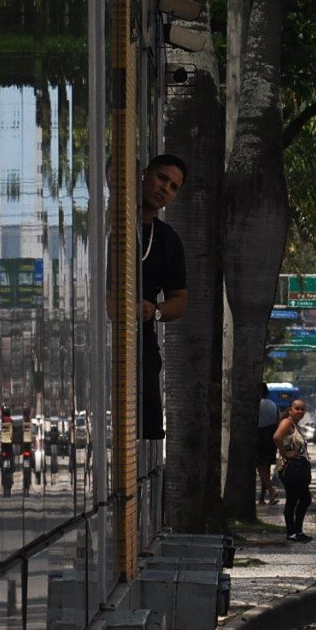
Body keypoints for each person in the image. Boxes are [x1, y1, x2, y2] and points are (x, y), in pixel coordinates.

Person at [138, 154, 189, 440]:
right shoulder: (109, 222)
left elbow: (180, 300)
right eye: (162, 178)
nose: (164, 189)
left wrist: (154, 311)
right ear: (145, 174)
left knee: (146, 425)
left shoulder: (168, 239)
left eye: (173, 187)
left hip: (140, 341)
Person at [273, 397, 313, 542]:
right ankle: (292, 532)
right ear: (290, 410)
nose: (300, 411)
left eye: (302, 409)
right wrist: (285, 453)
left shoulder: (296, 425)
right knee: (294, 500)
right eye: (297, 408)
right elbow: (277, 437)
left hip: (300, 468)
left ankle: (298, 531)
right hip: (291, 469)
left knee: (304, 499)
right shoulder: (287, 423)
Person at [256, 383, 280, 505]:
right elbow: (278, 421)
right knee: (266, 469)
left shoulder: (256, 405)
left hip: (259, 439)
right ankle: (262, 498)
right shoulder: (273, 405)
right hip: (271, 440)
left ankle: (271, 490)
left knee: (260, 468)